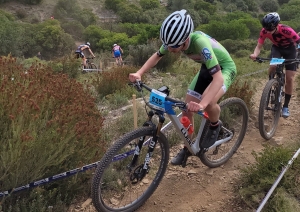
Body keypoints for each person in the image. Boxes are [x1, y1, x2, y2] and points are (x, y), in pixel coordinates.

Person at [128, 9, 237, 166]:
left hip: (225, 69)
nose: (170, 49)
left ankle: (215, 125)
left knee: (210, 102)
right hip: (207, 68)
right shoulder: (173, 41)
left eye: (173, 47)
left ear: (186, 40)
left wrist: (202, 104)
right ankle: (187, 149)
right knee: (186, 110)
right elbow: (157, 55)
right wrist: (139, 73)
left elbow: (218, 79)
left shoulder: (200, 43)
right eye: (168, 45)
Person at [250, 12, 300, 118]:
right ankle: (271, 83)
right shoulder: (264, 31)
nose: (268, 32)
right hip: (277, 48)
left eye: (270, 30)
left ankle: (286, 106)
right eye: (266, 29)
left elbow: (299, 42)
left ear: (277, 25)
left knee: (290, 78)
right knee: (273, 66)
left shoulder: (287, 30)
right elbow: (259, 46)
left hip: (290, 50)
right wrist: (255, 55)